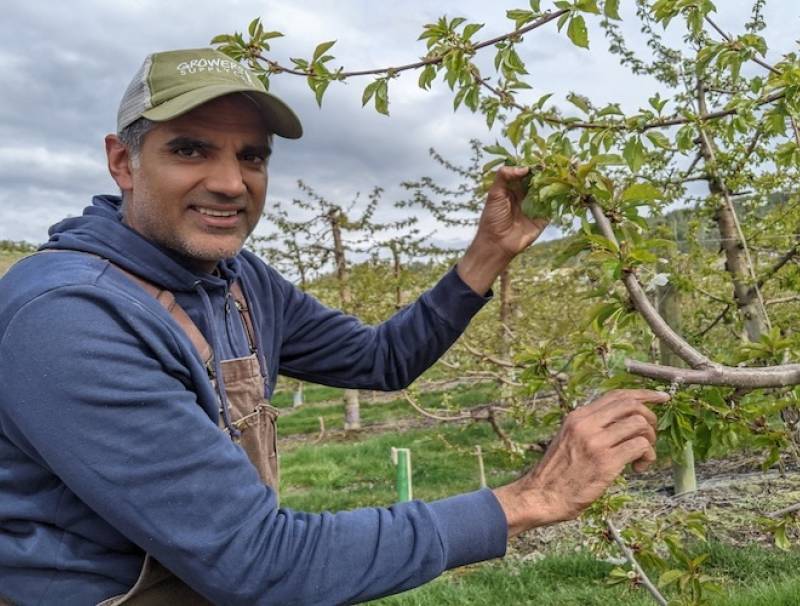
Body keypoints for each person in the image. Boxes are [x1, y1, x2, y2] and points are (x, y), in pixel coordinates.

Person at [0, 48, 666, 605]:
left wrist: (487, 253)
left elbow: (379, 361)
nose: (231, 182)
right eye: (191, 149)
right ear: (123, 162)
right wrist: (530, 497)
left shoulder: (236, 281)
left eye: (252, 157)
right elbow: (262, 561)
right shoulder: (70, 319)